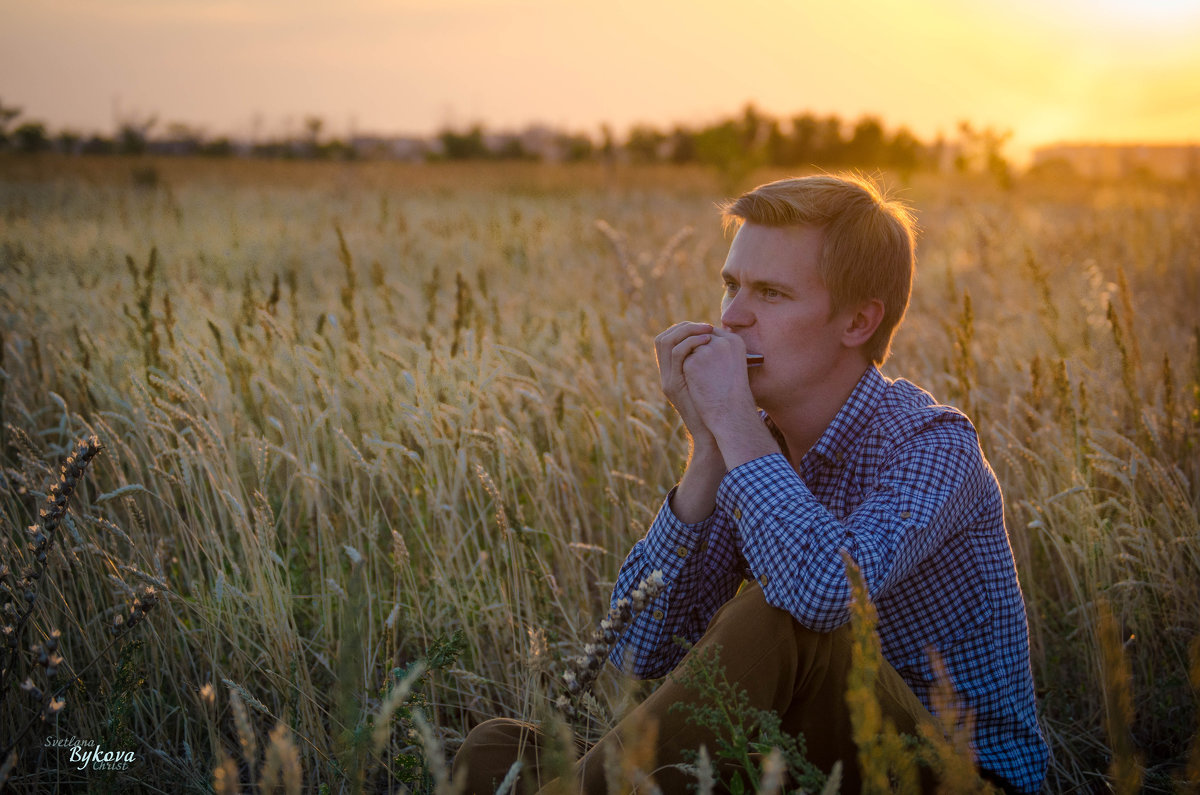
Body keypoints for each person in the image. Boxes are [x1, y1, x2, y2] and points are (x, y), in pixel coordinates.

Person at [454, 174, 1050, 794]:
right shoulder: (752, 447)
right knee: (500, 751)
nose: (732, 319)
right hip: (804, 766)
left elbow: (823, 593)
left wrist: (736, 424)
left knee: (781, 614)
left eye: (769, 293)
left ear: (856, 321)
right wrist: (709, 450)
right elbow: (636, 652)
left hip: (957, 779)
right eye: (731, 287)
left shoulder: (932, 444)